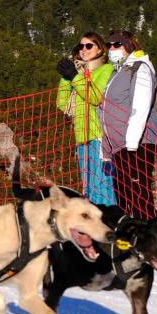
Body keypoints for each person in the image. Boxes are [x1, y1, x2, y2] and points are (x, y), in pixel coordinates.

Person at [99, 29, 157, 219]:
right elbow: (106, 115)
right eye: (108, 45)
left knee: (139, 197)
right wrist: (106, 152)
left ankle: (151, 237)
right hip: (119, 147)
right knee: (124, 197)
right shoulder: (117, 73)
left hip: (137, 145)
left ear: (127, 46)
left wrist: (132, 145)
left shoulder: (139, 68)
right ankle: (132, 240)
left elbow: (140, 108)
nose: (111, 48)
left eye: (116, 44)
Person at [56, 33, 117, 204]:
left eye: (89, 46)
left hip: (99, 136)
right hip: (82, 137)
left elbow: (96, 97)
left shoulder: (106, 69)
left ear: (100, 49)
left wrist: (75, 77)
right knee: (88, 189)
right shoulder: (80, 73)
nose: (83, 50)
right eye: (80, 47)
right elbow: (62, 104)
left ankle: (109, 224)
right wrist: (66, 78)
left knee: (102, 187)